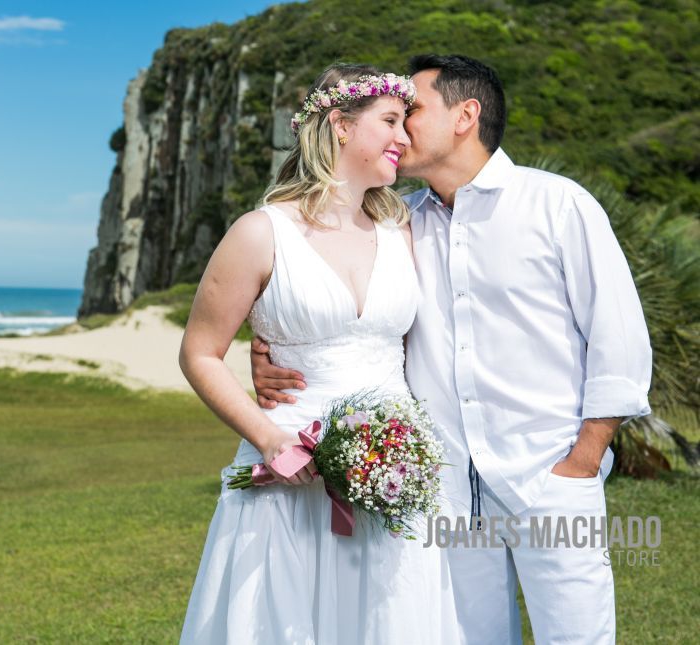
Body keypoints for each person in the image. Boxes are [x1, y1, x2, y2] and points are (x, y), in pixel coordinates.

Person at [251, 54, 652, 645]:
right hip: (445, 488)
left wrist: (582, 461)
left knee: (578, 637)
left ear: (466, 115)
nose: (398, 127)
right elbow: (353, 311)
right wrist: (269, 348)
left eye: (412, 110)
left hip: (550, 473)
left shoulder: (557, 204)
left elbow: (620, 338)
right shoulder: (397, 223)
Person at [178, 63, 460, 644]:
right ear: (339, 124)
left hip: (391, 473)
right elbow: (200, 353)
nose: (403, 137)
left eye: (405, 121)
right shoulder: (260, 233)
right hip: (289, 470)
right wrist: (270, 438)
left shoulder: (401, 228)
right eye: (389, 120)